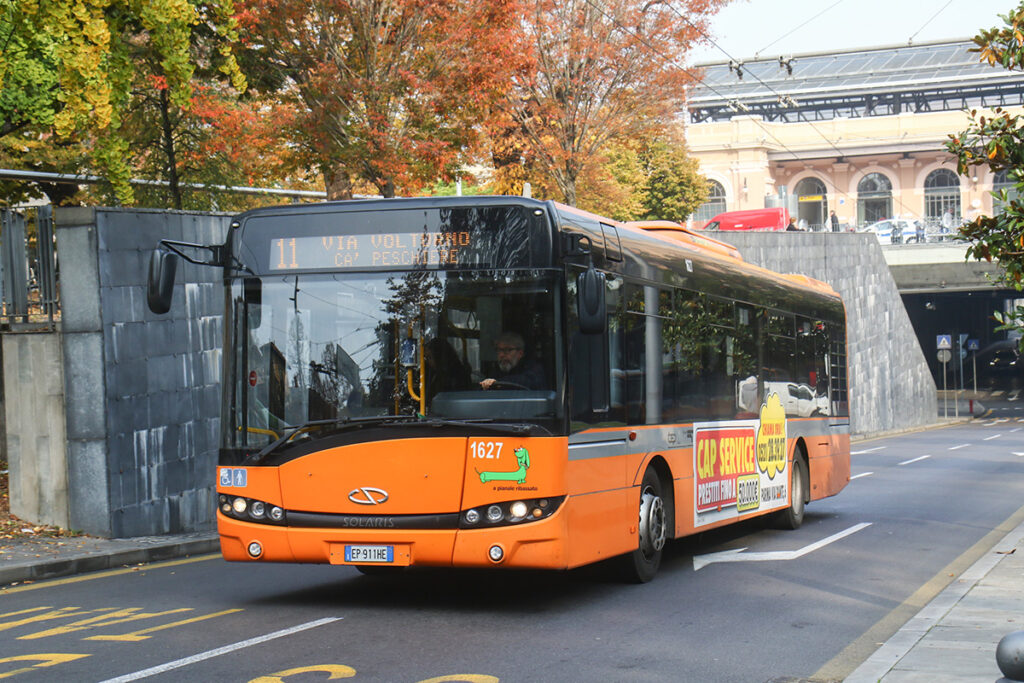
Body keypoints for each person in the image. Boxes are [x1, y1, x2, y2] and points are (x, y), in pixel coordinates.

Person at [480, 331, 544, 390]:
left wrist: (497, 382)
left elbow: (527, 382)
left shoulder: (533, 369)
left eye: (507, 350)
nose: (501, 355)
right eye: (499, 350)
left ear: (520, 353)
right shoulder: (495, 370)